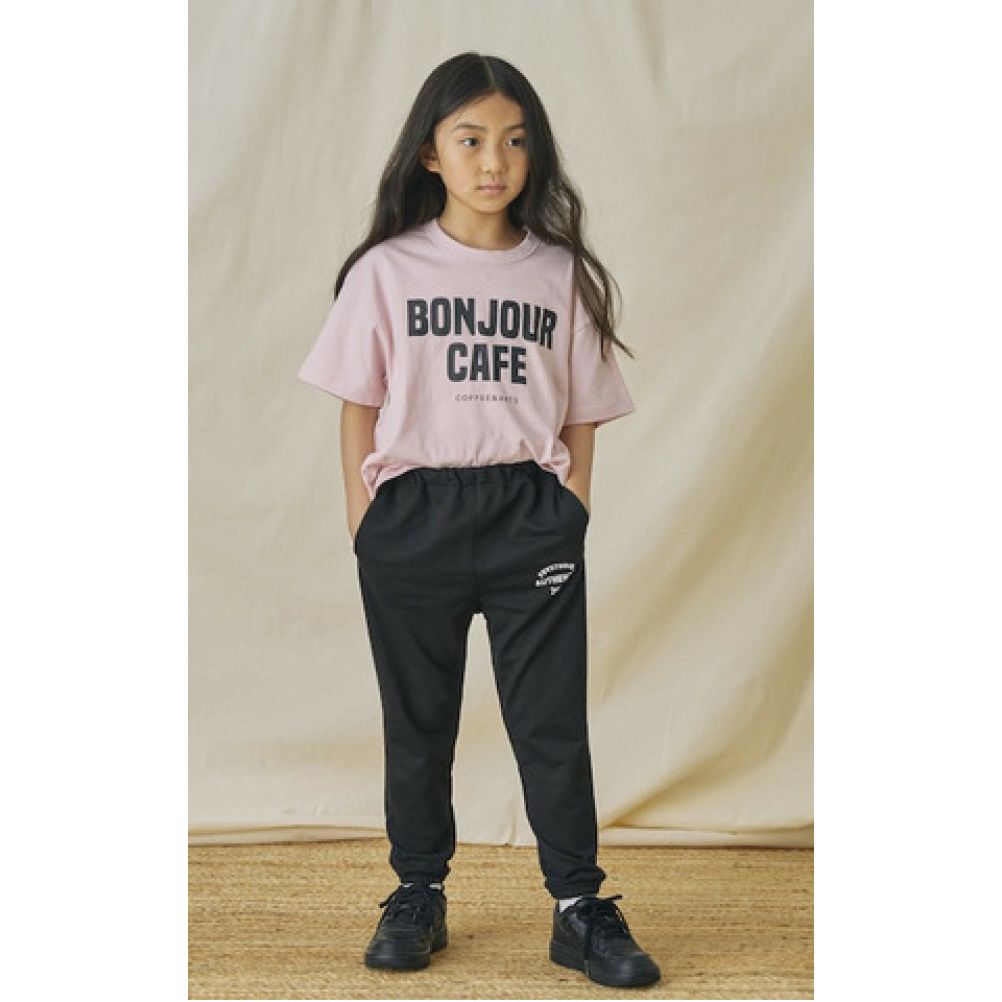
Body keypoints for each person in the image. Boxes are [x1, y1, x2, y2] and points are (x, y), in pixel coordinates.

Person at [297, 52, 661, 989]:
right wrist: (365, 520)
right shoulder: (387, 270)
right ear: (430, 152)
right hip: (412, 514)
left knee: (551, 719)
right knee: (418, 720)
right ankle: (417, 890)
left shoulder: (560, 275)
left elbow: (582, 410)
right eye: (469, 140)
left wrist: (570, 507)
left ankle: (578, 907)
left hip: (527, 515)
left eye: (513, 140)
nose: (494, 161)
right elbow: (357, 404)